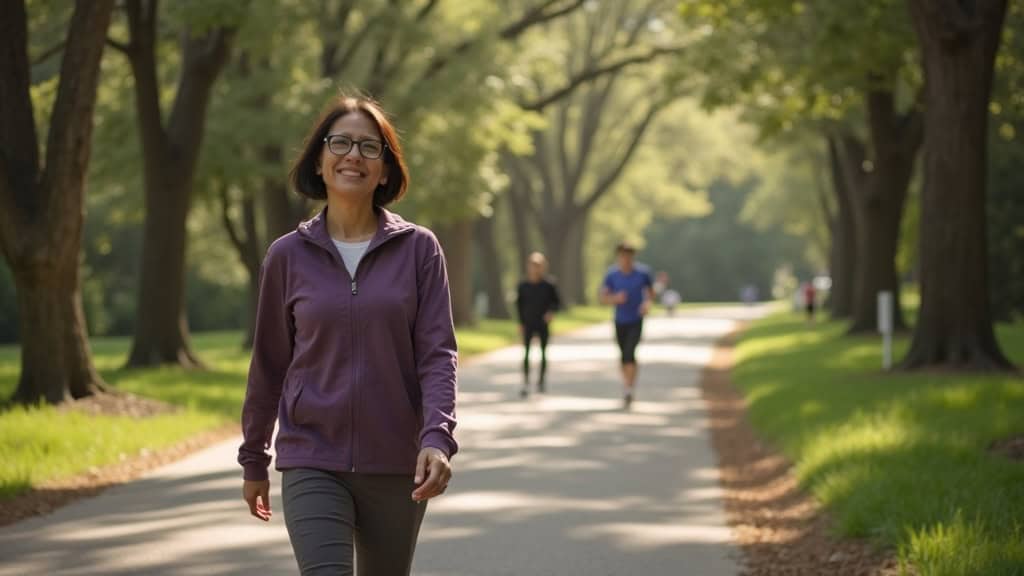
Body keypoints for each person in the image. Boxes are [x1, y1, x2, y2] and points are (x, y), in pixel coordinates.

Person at [238, 95, 458, 576]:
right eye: (340, 143)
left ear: (385, 170)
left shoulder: (419, 250)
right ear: (319, 161)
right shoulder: (287, 256)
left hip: (397, 464)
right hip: (311, 457)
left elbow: (437, 355)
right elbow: (269, 364)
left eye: (369, 147)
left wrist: (437, 438)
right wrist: (254, 457)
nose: (353, 155)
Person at [599, 242, 654, 409]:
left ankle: (629, 388)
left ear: (633, 256)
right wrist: (615, 298)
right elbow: (603, 297)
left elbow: (650, 293)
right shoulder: (612, 275)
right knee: (624, 355)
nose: (626, 259)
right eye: (623, 255)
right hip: (620, 320)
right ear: (618, 256)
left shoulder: (643, 273)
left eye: (629, 255)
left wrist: (647, 304)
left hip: (636, 320)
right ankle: (627, 385)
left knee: (630, 353)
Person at [515, 252, 561, 398]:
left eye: (538, 265)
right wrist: (520, 322)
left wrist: (550, 313)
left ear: (543, 267)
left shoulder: (549, 285)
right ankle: (526, 382)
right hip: (528, 322)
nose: (535, 268)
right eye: (533, 265)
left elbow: (556, 303)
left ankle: (541, 381)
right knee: (526, 353)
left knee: (543, 353)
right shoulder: (523, 285)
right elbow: (519, 305)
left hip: (542, 323)